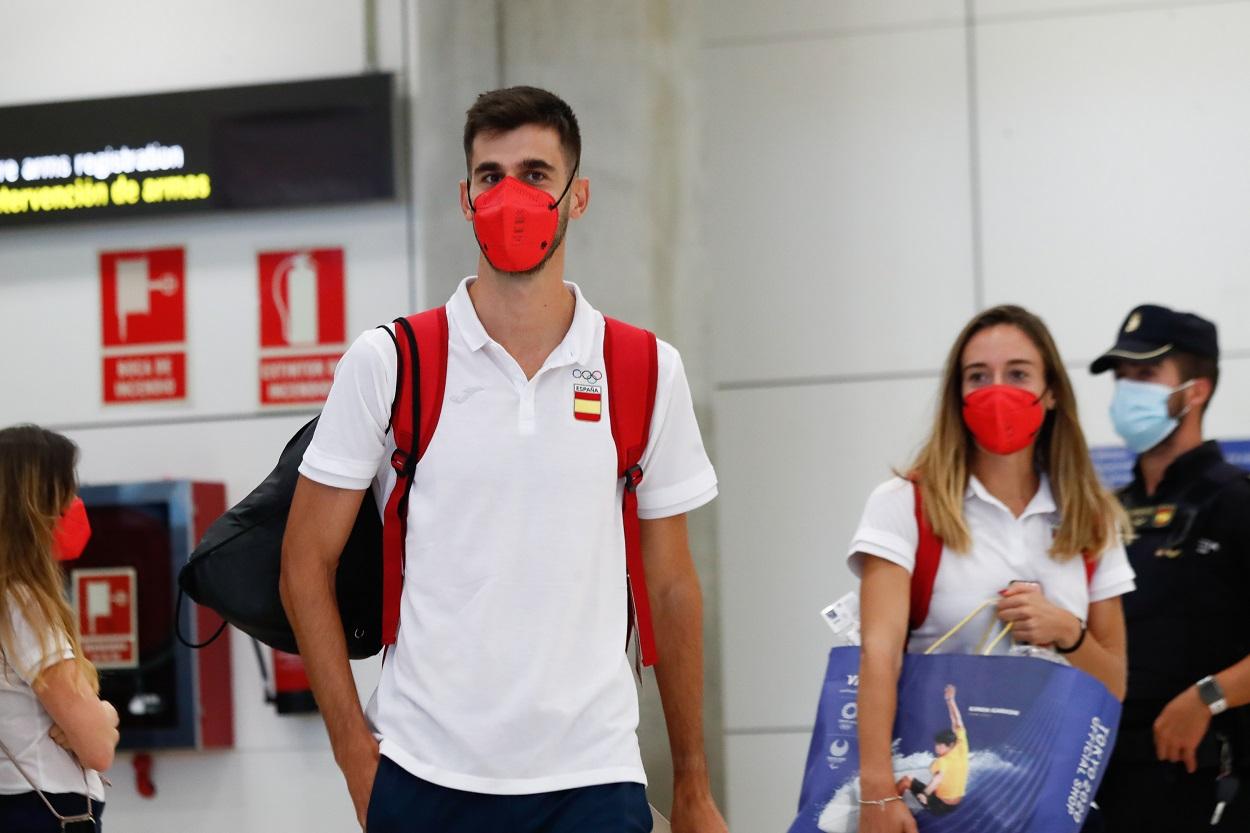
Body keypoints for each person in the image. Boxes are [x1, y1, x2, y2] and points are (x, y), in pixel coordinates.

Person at [281, 87, 726, 833]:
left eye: (535, 174)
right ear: (464, 197)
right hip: (425, 774)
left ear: (576, 197)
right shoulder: (391, 362)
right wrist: (356, 757)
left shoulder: (644, 368)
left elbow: (672, 584)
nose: (510, 197)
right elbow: (303, 562)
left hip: (594, 775)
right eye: (490, 177)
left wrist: (692, 781)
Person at [848, 305, 1135, 833]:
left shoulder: (1091, 519)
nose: (996, 391)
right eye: (978, 376)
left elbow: (1113, 684)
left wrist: (1067, 632)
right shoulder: (904, 505)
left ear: (1051, 394)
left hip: (1052, 806)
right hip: (938, 806)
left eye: (1018, 374)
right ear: (958, 396)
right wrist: (876, 794)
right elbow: (878, 656)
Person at [1089, 304, 1250, 831]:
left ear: (1195, 390)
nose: (1127, 389)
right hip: (1106, 778)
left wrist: (1208, 696)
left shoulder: (1234, 502)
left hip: (1206, 780)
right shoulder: (1106, 510)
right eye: (1122, 376)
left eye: (1146, 374)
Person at [0, 425, 119, 832]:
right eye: (67, 491)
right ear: (38, 505)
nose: (75, 505)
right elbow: (98, 747)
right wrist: (104, 714)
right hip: (43, 810)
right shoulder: (23, 604)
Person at [896, 685, 967, 817]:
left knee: (906, 780)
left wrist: (925, 794)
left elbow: (938, 778)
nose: (937, 749)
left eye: (941, 746)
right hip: (957, 804)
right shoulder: (961, 746)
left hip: (940, 805)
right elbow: (957, 721)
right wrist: (950, 700)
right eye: (936, 745)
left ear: (950, 745)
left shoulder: (942, 761)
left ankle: (890, 808)